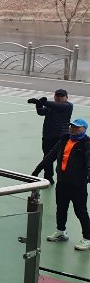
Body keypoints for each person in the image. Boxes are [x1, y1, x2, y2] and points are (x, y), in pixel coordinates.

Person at [34, 119, 90, 252]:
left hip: (78, 185)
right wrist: (36, 171)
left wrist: (87, 177)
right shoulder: (64, 140)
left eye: (77, 128)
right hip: (62, 182)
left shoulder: (87, 144)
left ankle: (88, 238)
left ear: (84, 129)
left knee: (80, 211)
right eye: (72, 127)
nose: (73, 129)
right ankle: (61, 232)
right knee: (61, 208)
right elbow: (50, 156)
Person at [29, 89, 73, 184]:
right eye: (57, 96)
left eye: (62, 96)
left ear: (66, 97)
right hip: (47, 136)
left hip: (61, 137)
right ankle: (48, 177)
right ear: (54, 96)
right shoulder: (51, 106)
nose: (59, 98)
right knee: (47, 156)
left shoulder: (68, 106)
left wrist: (42, 102)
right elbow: (41, 112)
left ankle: (62, 179)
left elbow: (57, 106)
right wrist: (38, 105)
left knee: (59, 158)